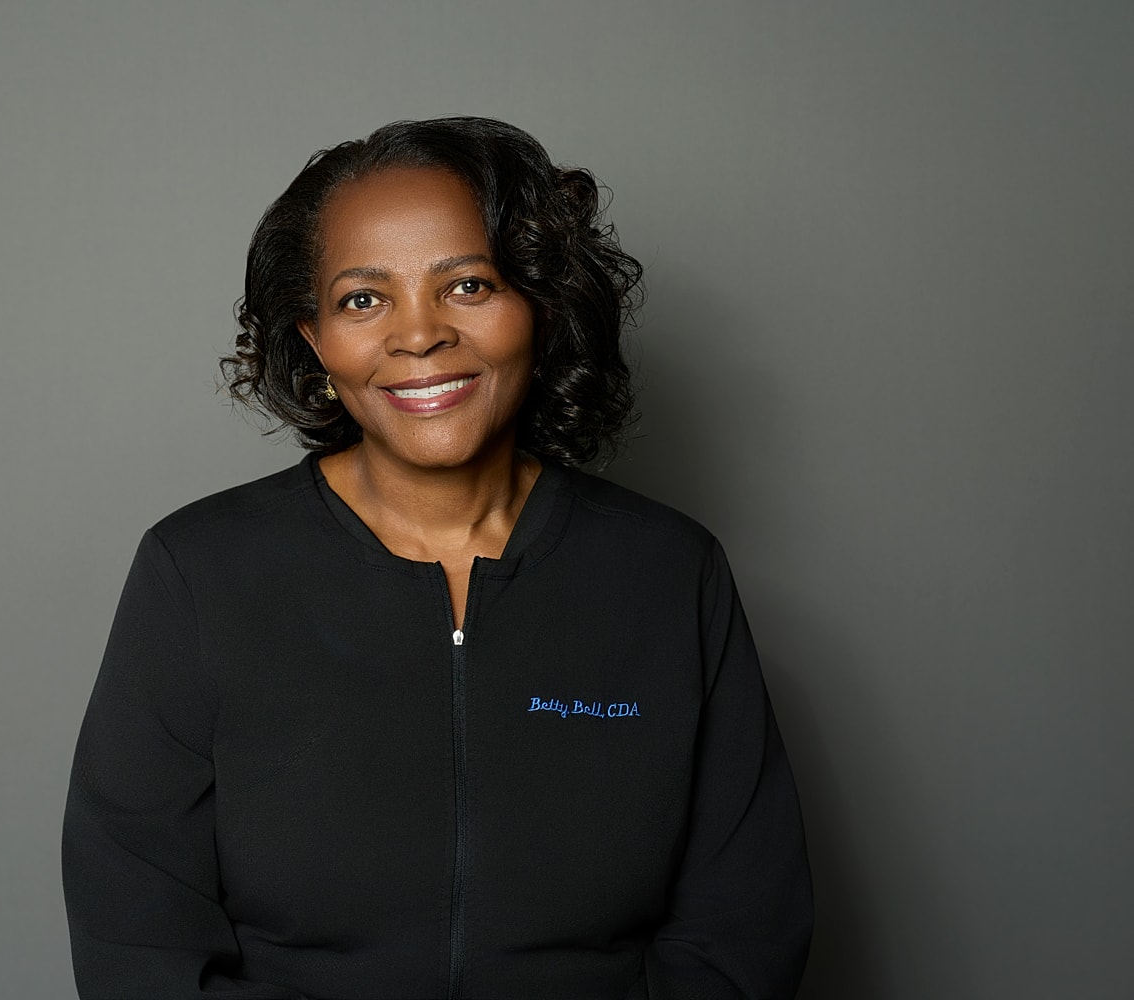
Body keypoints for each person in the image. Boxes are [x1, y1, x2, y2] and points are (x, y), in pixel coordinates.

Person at [62, 117, 812, 999]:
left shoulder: (670, 574)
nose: (419, 336)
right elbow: (137, 939)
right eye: (362, 299)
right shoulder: (198, 573)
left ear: (540, 301)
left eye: (467, 284)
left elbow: (742, 932)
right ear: (314, 339)